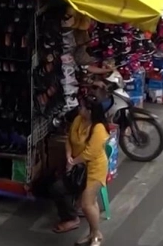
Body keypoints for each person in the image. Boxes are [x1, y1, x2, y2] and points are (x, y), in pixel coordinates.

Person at [60, 96, 109, 245]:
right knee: (91, 203)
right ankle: (93, 234)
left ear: (90, 111)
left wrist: (73, 162)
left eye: (81, 107)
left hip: (95, 168)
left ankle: (96, 235)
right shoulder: (78, 120)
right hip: (79, 167)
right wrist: (69, 156)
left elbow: (90, 153)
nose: (78, 108)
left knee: (87, 204)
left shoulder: (98, 128)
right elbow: (69, 139)